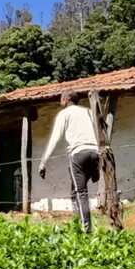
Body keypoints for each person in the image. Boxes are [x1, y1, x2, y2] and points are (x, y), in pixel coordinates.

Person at [37, 92, 100, 233]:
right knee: (75, 192)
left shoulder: (64, 114)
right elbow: (99, 131)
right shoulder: (88, 112)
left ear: (66, 100)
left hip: (78, 155)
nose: (60, 102)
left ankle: (86, 231)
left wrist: (43, 162)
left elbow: (55, 138)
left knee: (80, 193)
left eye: (60, 99)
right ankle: (77, 221)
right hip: (94, 153)